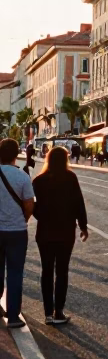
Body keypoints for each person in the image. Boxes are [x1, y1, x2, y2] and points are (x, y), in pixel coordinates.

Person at [32, 145, 88, 325]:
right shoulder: (70, 178)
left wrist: (42, 217)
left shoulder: (38, 181)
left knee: (46, 271)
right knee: (62, 271)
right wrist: (83, 226)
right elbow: (79, 203)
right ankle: (59, 312)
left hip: (45, 232)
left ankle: (47, 313)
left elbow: (33, 206)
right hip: (65, 232)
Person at [0, 137, 35, 328]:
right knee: (14, 273)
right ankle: (13, 316)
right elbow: (29, 205)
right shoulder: (22, 177)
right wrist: (22, 219)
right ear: (16, 155)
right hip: (17, 232)